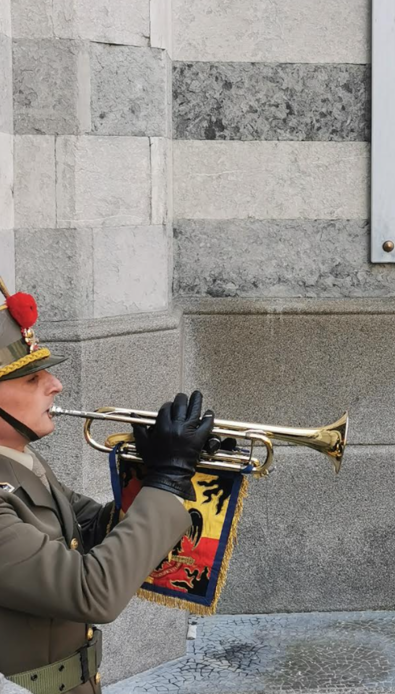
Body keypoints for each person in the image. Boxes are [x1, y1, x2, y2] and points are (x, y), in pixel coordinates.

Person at [0, 279, 215, 694]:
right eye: (31, 379)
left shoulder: (20, 463)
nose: (55, 384)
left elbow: (93, 528)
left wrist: (149, 472)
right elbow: (92, 591)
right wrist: (168, 479)